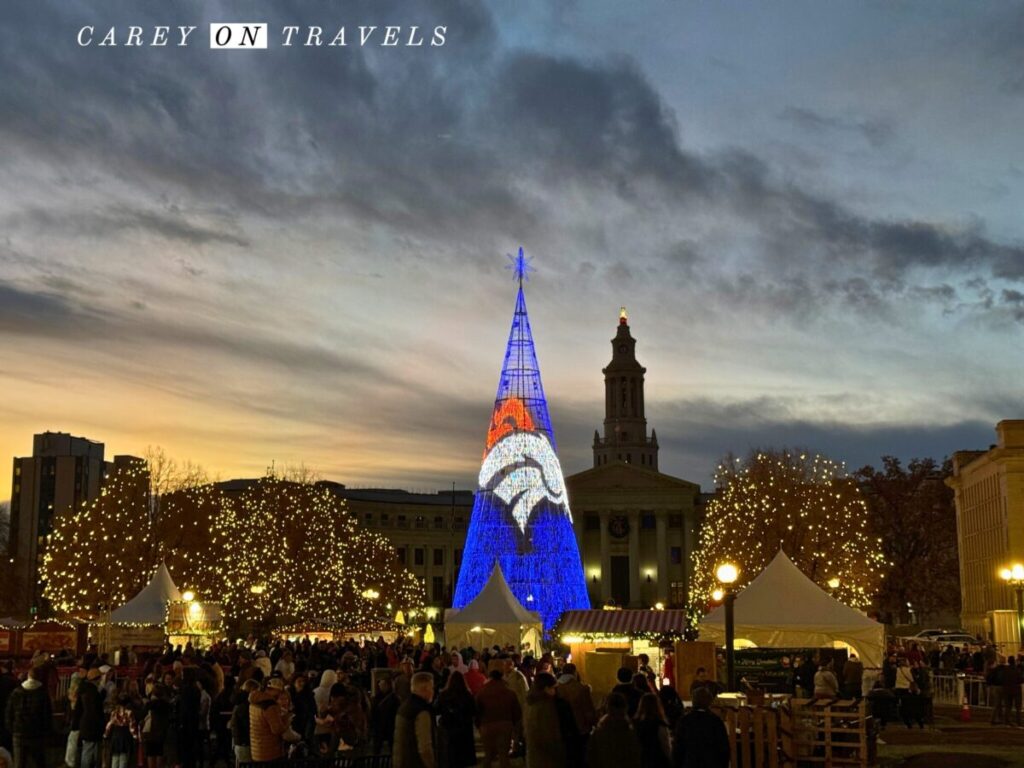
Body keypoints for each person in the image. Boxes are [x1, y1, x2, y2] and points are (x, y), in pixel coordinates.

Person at [3, 665, 51, 768]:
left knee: (19, 763)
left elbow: (9, 712)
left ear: (28, 676)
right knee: (39, 762)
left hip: (18, 732)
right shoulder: (42, 693)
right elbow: (47, 716)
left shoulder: (17, 692)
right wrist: (46, 731)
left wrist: (12, 728)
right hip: (36, 733)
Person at [523, 673, 574, 768]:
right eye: (553, 688)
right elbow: (549, 734)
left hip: (534, 753)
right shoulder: (546, 706)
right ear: (546, 688)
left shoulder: (530, 702)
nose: (555, 691)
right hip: (547, 757)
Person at [671, 687, 729, 768]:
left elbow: (678, 748)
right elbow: (723, 749)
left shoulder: (685, 721)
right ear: (709, 702)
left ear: (693, 701)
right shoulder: (716, 721)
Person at [476, 669, 522, 768]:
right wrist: (513, 725)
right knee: (503, 755)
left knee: (488, 755)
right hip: (505, 725)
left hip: (487, 725)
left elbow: (477, 711)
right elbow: (517, 712)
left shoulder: (482, 692)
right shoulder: (509, 692)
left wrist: (479, 725)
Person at [556, 663, 597, 764]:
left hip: (560, 729)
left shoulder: (556, 688)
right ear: (574, 672)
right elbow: (588, 711)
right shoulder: (581, 689)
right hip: (580, 729)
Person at [586, 693, 640, 768]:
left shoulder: (599, 730)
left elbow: (591, 756)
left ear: (607, 708)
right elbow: (636, 755)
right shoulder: (631, 729)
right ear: (625, 707)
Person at [394, 672, 436, 768]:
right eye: (432, 688)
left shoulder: (404, 707)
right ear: (425, 689)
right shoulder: (421, 711)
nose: (433, 691)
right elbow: (425, 748)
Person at [436, 671, 477, 768]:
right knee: (463, 758)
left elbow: (437, 709)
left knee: (451, 756)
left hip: (449, 729)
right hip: (464, 729)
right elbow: (474, 710)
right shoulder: (467, 695)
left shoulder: (444, 695)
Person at [249, 678, 290, 762]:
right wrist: (287, 720)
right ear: (275, 690)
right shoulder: (270, 706)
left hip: (257, 749)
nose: (279, 695)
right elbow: (277, 729)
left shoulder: (254, 702)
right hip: (270, 752)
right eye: (279, 692)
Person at [74, 668, 106, 768]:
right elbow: (96, 711)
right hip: (93, 726)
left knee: (88, 750)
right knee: (90, 752)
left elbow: (78, 709)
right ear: (96, 679)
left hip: (85, 724)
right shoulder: (94, 693)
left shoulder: (83, 690)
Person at [634, 693, 671, 768]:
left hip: (641, 761)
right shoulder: (659, 725)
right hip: (657, 761)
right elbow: (666, 747)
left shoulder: (635, 724)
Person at [229, 679, 259, 767]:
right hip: (244, 742)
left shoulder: (239, 703)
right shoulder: (245, 706)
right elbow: (247, 725)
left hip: (239, 741)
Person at [105, 695, 138, 768]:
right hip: (125, 736)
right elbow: (131, 726)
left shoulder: (114, 713)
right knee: (123, 758)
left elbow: (109, 725)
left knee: (115, 758)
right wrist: (135, 736)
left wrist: (106, 734)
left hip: (115, 736)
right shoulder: (129, 713)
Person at [370, 676, 400, 754]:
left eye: (382, 684)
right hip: (381, 725)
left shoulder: (394, 699)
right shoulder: (378, 697)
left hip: (388, 725)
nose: (380, 686)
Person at [1003, 657, 1022, 727]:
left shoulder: (1005, 670)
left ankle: (1007, 721)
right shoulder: (1016, 670)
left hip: (1007, 689)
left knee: (1008, 707)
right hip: (1016, 690)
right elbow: (1020, 679)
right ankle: (1019, 722)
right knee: (1018, 707)